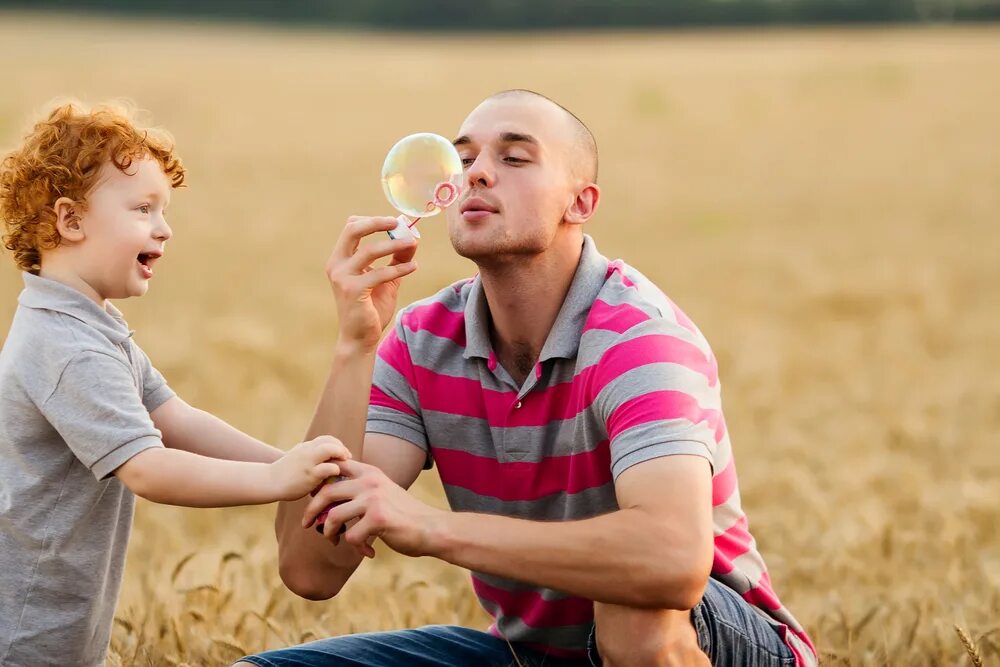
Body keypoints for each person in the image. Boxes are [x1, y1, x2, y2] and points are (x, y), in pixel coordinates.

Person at [239, 90, 817, 667]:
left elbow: (671, 563)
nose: (478, 174)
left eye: (514, 159)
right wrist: (354, 347)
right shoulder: (420, 341)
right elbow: (309, 569)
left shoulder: (636, 337)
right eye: (464, 160)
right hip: (530, 656)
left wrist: (434, 528)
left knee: (632, 614)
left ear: (580, 203)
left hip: (720, 641)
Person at [0, 102, 351, 667]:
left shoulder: (90, 325)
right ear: (70, 221)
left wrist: (299, 466)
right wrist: (275, 478)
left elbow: (176, 419)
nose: (164, 228)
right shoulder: (66, 348)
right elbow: (148, 467)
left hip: (56, 631)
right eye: (142, 208)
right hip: (23, 638)